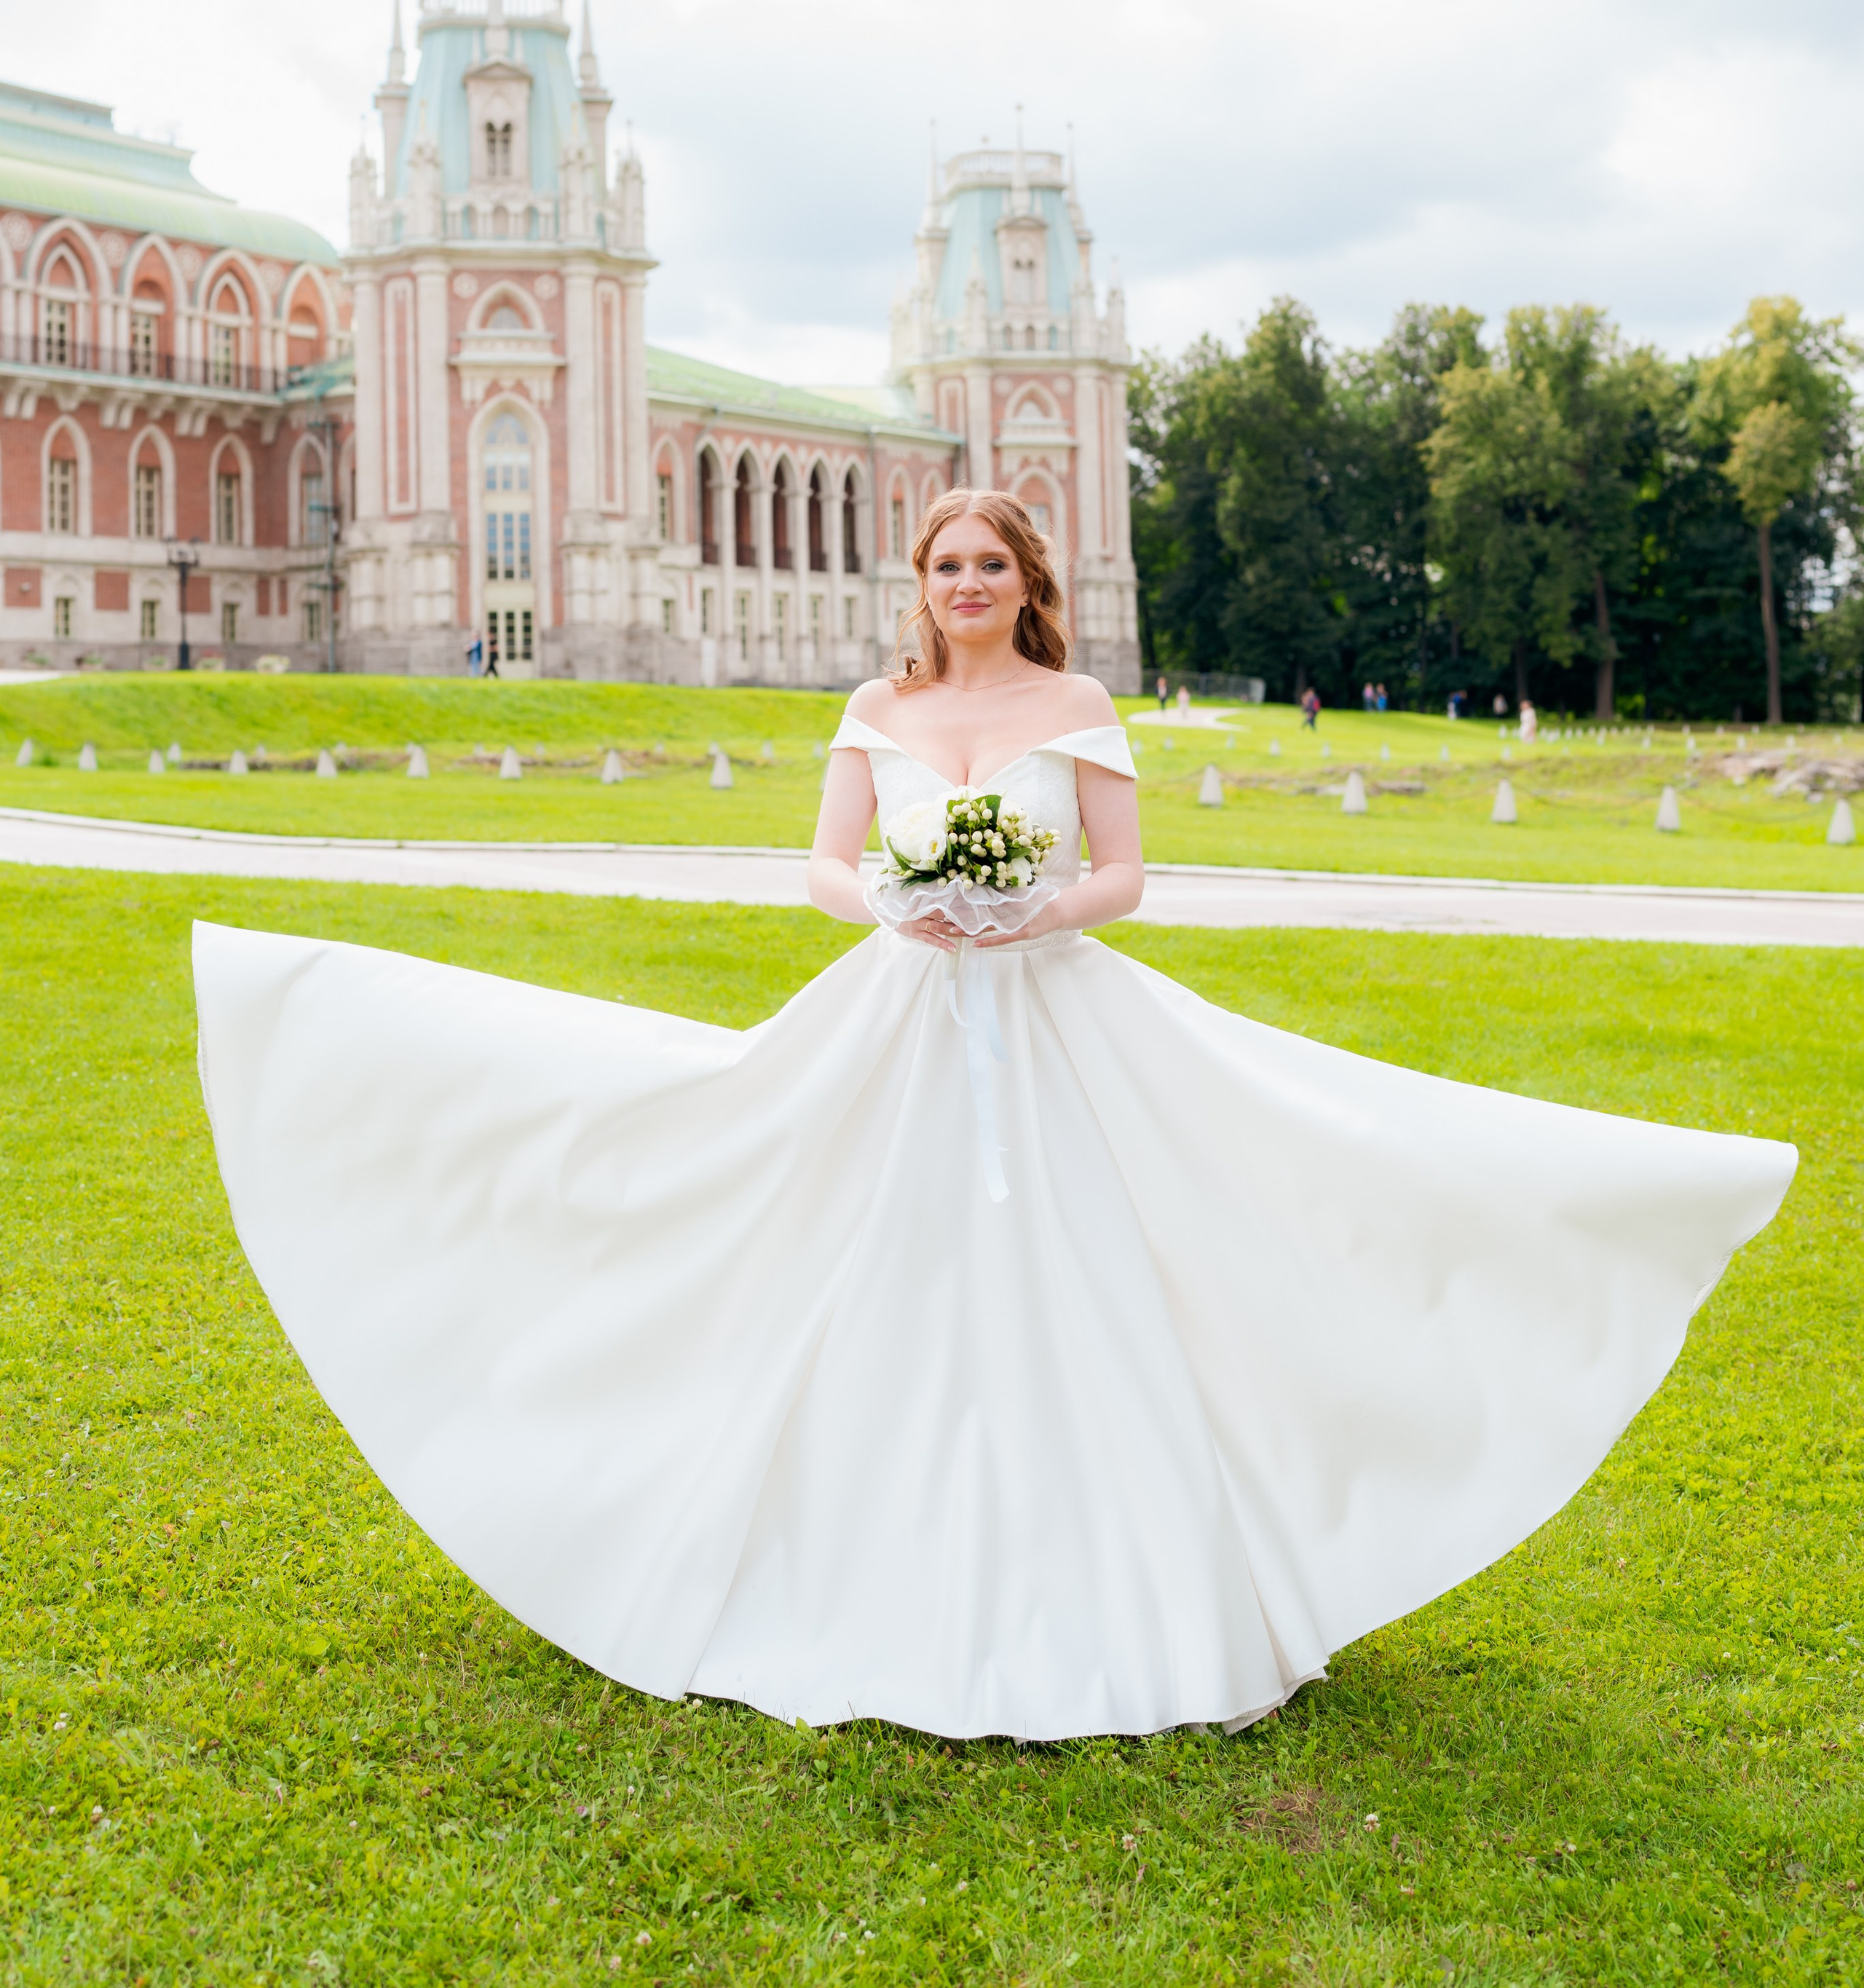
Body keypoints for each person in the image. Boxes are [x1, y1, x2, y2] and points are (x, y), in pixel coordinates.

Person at [191, 489, 1794, 1743]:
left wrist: (1029, 916)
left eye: (987, 567)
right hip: (898, 1010)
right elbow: (821, 865)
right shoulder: (873, 711)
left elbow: (1123, 873)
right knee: (818, 1239)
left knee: (1115, 1260)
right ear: (922, 585)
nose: (964, 588)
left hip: (1044, 1019)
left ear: (1027, 582)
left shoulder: (1079, 700)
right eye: (943, 568)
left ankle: (1130, 1600)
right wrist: (896, 901)